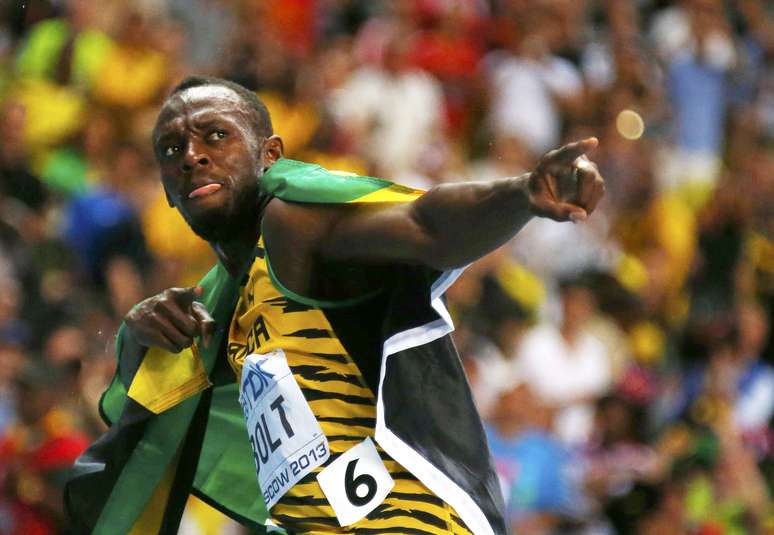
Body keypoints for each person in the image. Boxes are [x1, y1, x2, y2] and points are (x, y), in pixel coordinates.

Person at [66, 76, 605, 535]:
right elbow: (145, 429)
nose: (191, 156)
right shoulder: (223, 312)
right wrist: (137, 338)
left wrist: (522, 194)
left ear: (271, 155)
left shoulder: (292, 224)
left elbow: (426, 225)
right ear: (164, 190)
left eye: (215, 135)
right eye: (170, 150)